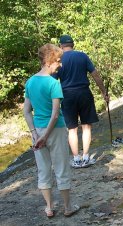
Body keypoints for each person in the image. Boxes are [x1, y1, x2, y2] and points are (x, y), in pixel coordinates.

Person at [23, 43, 80, 218]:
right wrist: (46, 136)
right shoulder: (53, 83)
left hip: (38, 130)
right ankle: (67, 207)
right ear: (48, 61)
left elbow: (26, 111)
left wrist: (35, 135)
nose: (60, 64)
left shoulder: (30, 82)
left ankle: (49, 208)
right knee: (61, 168)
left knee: (43, 169)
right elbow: (55, 115)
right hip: (55, 130)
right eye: (57, 61)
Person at [53, 35, 109, 168]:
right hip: (84, 93)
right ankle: (86, 157)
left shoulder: (58, 59)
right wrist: (103, 92)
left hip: (66, 95)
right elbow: (95, 74)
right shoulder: (82, 56)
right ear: (73, 44)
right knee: (86, 126)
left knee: (72, 129)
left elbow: (53, 81)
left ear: (61, 46)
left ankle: (76, 159)